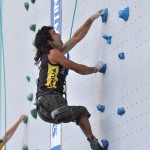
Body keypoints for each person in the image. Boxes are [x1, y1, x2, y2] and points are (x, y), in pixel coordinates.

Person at [34, 9, 106, 150]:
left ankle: (92, 141)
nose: (59, 34)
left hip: (43, 110)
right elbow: (77, 68)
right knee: (65, 109)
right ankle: (59, 111)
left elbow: (76, 37)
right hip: (51, 100)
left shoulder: (51, 54)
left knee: (81, 112)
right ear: (49, 41)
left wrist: (90, 19)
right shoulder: (53, 53)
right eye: (55, 33)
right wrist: (94, 69)